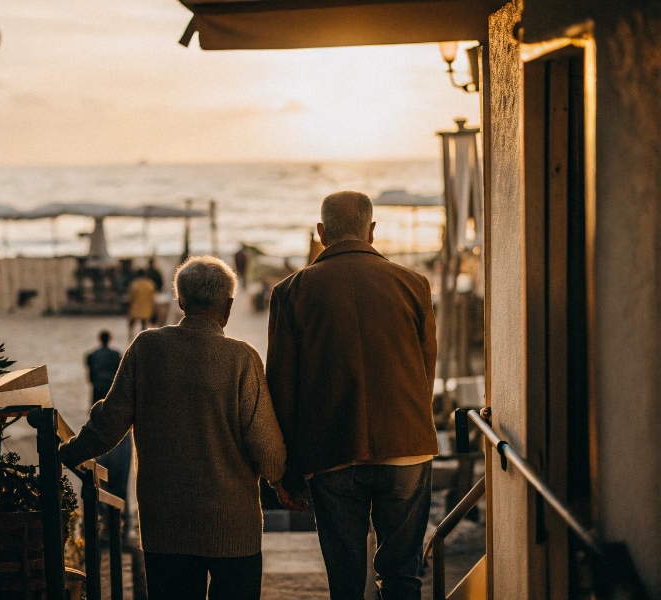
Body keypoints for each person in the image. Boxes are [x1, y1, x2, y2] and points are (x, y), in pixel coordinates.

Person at [60, 256, 302, 600]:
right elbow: (265, 446)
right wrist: (282, 481)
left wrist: (69, 452)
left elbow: (108, 423)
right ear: (229, 306)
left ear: (181, 301)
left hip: (166, 526)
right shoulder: (242, 358)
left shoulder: (146, 347)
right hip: (233, 527)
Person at [266, 191, 438, 600]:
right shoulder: (414, 284)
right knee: (402, 577)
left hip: (331, 453)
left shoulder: (291, 292)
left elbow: (282, 388)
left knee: (345, 584)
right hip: (407, 447)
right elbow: (425, 370)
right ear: (372, 232)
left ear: (321, 233)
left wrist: (287, 472)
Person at [85, 330, 133, 546]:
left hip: (97, 389)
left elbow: (90, 375)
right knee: (119, 487)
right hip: (109, 390)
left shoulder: (91, 355)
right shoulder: (116, 355)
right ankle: (121, 529)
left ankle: (103, 528)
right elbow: (119, 376)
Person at [126, 269, 156, 337]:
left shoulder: (134, 284)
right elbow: (153, 297)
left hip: (135, 307)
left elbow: (130, 297)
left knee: (132, 322)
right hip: (146, 307)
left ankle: (130, 334)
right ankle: (143, 335)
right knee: (144, 323)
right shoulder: (150, 284)